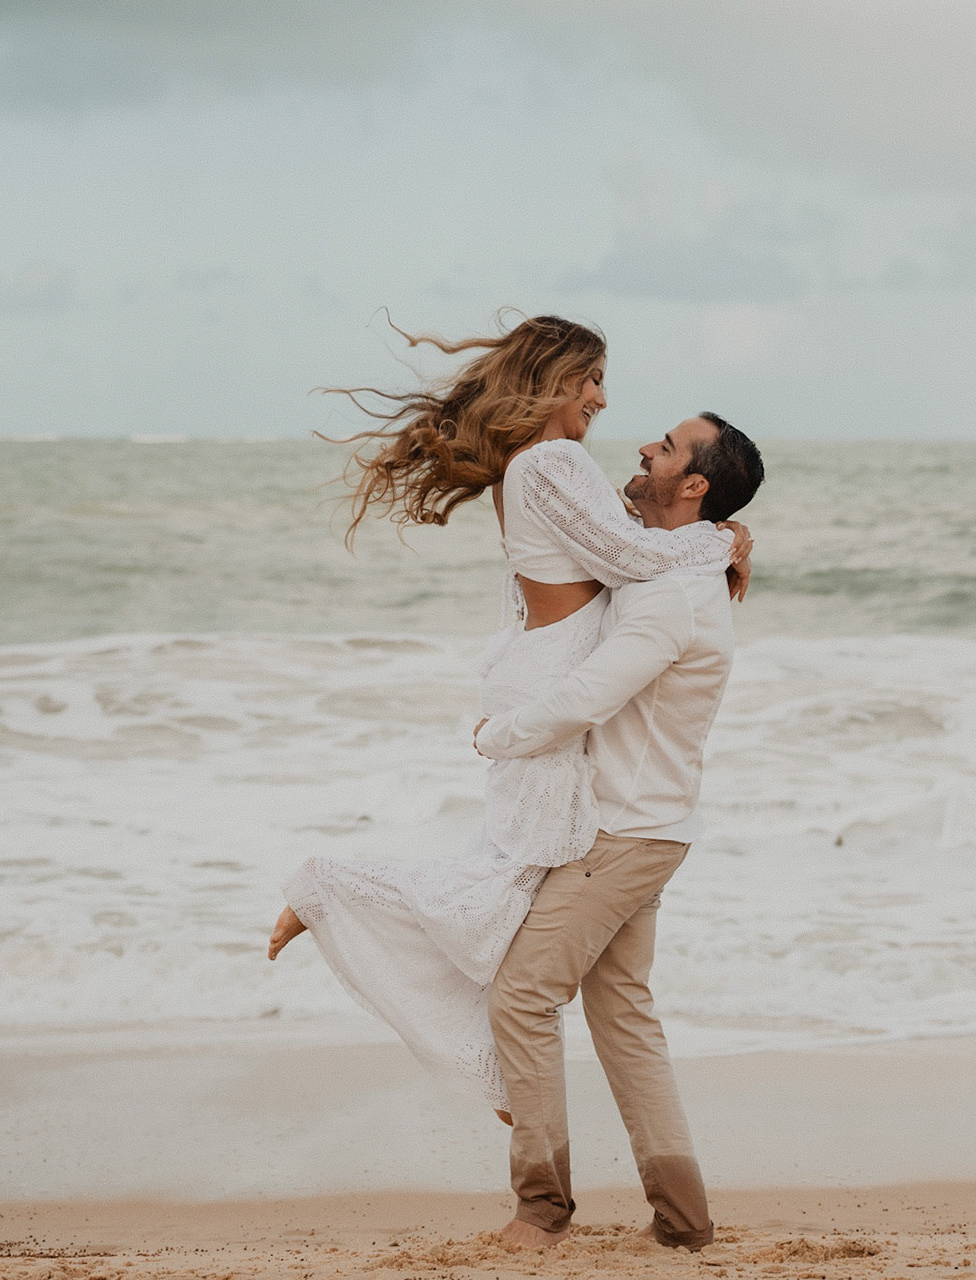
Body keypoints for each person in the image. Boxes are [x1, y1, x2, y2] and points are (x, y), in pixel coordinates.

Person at [264, 315, 751, 1120]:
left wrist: (716, 540)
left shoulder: (538, 467)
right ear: (556, 379)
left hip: (539, 671)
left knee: (513, 876)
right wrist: (719, 545)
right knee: (506, 879)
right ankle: (335, 894)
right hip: (552, 680)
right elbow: (632, 559)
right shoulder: (554, 460)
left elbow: (613, 551)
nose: (602, 397)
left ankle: (493, 1052)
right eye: (591, 378)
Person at [476, 411, 765, 1253]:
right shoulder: (661, 563)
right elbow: (568, 511)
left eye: (668, 448)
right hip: (641, 826)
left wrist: (498, 734)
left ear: (696, 485)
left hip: (626, 835)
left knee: (524, 995)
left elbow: (589, 695)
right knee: (624, 1014)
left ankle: (542, 1209)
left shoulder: (672, 596)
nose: (644, 446)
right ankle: (683, 1221)